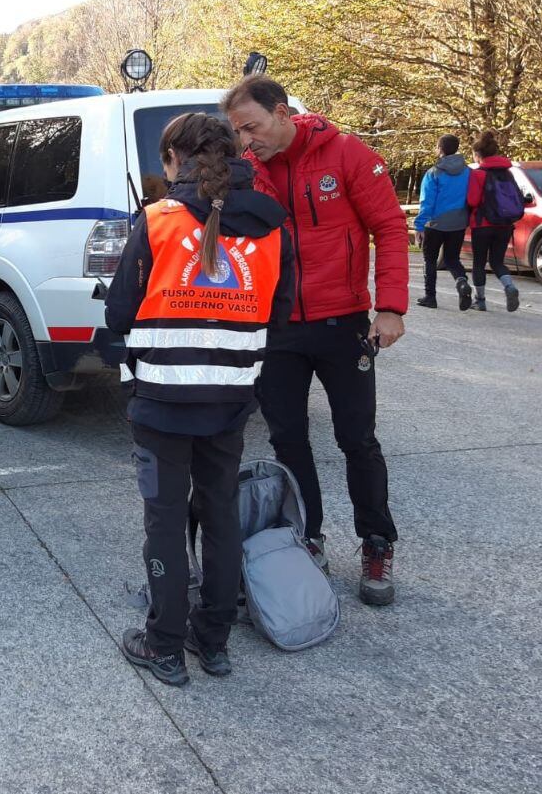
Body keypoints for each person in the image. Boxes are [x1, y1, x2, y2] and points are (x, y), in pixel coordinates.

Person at [106, 113, 294, 686]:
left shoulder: (159, 221)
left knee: (163, 521)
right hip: (231, 401)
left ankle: (163, 644)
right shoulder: (271, 227)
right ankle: (211, 642)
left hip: (161, 404)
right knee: (220, 517)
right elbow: (279, 314)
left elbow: (119, 313)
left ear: (175, 161)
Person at [223, 76, 408, 607]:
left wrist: (390, 306)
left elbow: (390, 228)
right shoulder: (248, 172)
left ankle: (376, 543)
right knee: (288, 440)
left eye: (252, 127)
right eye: (238, 132)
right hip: (276, 327)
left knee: (357, 440)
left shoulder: (346, 153)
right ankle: (308, 536)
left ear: (282, 112)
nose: (246, 140)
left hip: (343, 321)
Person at [466, 130, 524, 312]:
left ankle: (480, 300)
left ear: (478, 155)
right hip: (504, 224)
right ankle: (509, 286)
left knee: (479, 263)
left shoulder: (478, 174)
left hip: (482, 224)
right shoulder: (508, 173)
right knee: (497, 261)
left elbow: (472, 201)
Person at [414, 135, 473, 310]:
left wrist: (419, 226)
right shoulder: (468, 172)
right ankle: (462, 282)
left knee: (430, 260)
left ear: (440, 149)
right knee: (452, 258)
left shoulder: (434, 173)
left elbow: (427, 202)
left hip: (435, 223)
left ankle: (430, 297)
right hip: (459, 222)